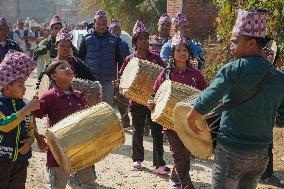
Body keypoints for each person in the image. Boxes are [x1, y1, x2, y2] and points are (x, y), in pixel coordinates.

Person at [186, 8, 284, 189]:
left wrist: (193, 113)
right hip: (260, 155)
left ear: (252, 43)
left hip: (232, 152)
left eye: (235, 42)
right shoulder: (279, 77)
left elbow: (211, 94)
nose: (231, 46)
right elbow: (282, 117)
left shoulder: (233, 69)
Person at [148, 32, 207, 189]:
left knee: (186, 153)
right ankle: (187, 185)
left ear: (189, 53)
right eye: (178, 50)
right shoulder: (166, 74)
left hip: (190, 120)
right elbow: (154, 93)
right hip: (170, 121)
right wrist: (151, 102)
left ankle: (175, 178)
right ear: (172, 53)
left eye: (185, 50)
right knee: (179, 154)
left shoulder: (196, 75)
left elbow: (206, 94)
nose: (182, 53)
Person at [33, 60, 97, 189]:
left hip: (82, 148)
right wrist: (37, 136)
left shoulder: (79, 95)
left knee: (89, 184)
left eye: (69, 67)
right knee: (58, 186)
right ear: (54, 77)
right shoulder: (49, 96)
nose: (68, 69)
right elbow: (31, 115)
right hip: (58, 151)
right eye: (62, 68)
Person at [119, 20, 170, 174]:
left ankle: (159, 164)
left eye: (146, 38)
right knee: (138, 131)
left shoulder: (156, 58)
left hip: (153, 102)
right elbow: (123, 77)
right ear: (135, 41)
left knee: (156, 131)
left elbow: (165, 75)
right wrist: (119, 83)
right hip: (136, 102)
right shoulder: (130, 59)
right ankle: (137, 159)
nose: (144, 41)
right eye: (141, 38)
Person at [0, 50, 41, 189]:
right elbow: (4, 126)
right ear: (7, 87)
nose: (25, 89)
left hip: (21, 161)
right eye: (20, 85)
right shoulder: (1, 106)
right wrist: (25, 111)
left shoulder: (24, 105)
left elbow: (30, 127)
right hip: (2, 160)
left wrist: (30, 141)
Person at [78, 10, 123, 106]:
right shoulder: (86, 39)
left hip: (108, 83)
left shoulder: (114, 40)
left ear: (106, 24)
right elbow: (79, 61)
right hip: (90, 82)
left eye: (103, 24)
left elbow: (120, 62)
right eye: (98, 24)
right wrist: (81, 80)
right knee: (91, 110)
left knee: (107, 110)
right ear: (94, 24)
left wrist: (119, 79)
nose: (101, 26)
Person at [259, 37, 284, 187]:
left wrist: (278, 119)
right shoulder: (242, 70)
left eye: (270, 52)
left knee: (267, 145)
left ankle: (267, 175)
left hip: (266, 119)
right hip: (245, 120)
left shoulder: (277, 76)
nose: (268, 55)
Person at [109, 19, 131, 129]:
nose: (115, 32)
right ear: (110, 30)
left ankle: (125, 122)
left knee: (122, 100)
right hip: (108, 75)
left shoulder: (124, 44)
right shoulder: (107, 42)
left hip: (120, 75)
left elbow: (127, 60)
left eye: (117, 29)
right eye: (113, 29)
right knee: (108, 100)